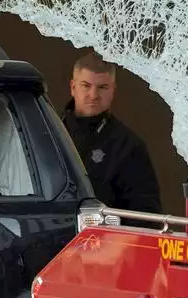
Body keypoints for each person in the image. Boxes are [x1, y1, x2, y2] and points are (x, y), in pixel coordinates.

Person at [62, 51, 163, 215]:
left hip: (104, 238)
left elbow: (146, 215)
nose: (93, 95)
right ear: (73, 87)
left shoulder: (128, 147)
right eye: (86, 85)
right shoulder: (48, 133)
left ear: (113, 90)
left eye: (102, 87)